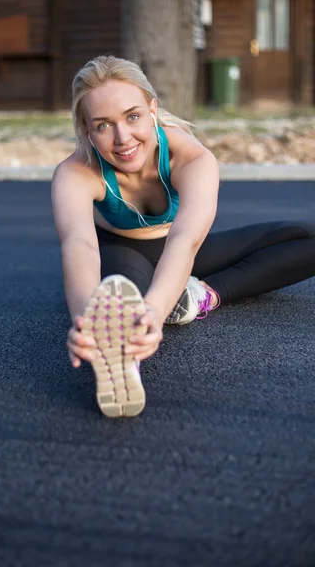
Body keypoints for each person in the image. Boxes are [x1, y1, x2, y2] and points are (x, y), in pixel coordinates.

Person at [51, 55, 315, 418]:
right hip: (122, 252)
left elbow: (186, 240)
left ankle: (201, 295)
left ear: (152, 110)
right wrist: (86, 320)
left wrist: (158, 310)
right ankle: (121, 357)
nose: (122, 138)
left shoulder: (190, 157)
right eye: (103, 125)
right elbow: (79, 246)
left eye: (132, 117)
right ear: (86, 129)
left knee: (306, 236)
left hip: (183, 247)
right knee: (119, 295)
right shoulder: (75, 173)